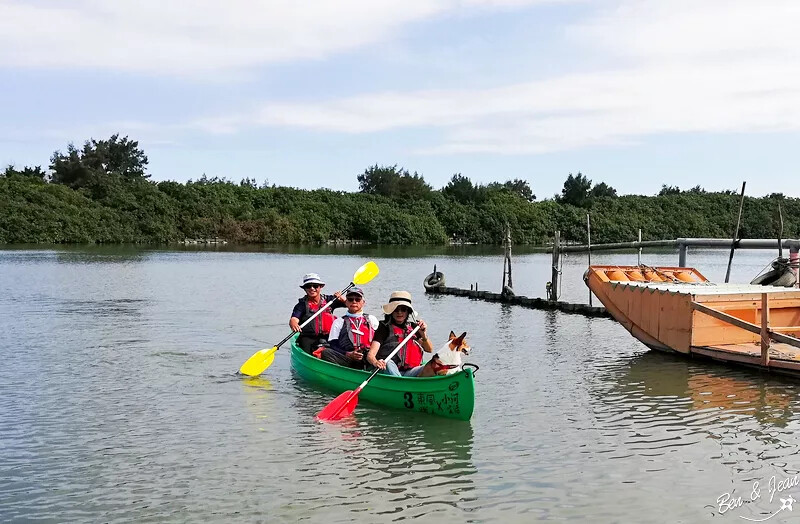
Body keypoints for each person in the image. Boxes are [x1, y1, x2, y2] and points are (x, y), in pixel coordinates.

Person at [366, 291, 433, 377]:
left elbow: (429, 349)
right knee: (388, 362)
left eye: (403, 309)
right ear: (391, 311)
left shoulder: (414, 327)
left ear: (408, 311)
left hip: (410, 372)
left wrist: (423, 334)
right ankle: (402, 384)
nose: (399, 312)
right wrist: (376, 362)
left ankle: (405, 383)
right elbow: (370, 355)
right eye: (396, 309)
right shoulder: (384, 327)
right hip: (389, 371)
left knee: (431, 366)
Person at [319, 287, 378, 368]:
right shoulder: (339, 322)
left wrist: (372, 355)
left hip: (368, 358)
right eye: (350, 299)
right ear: (346, 302)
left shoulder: (372, 319)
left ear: (363, 302)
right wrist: (348, 354)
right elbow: (333, 345)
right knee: (326, 352)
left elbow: (379, 341)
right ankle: (343, 373)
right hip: (348, 358)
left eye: (357, 299)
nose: (354, 302)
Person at [289, 273, 345, 354]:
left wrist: (342, 299)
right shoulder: (301, 305)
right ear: (305, 289)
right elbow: (294, 318)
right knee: (306, 346)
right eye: (308, 286)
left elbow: (352, 306)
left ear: (320, 287)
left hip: (328, 337)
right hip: (308, 337)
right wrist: (293, 322)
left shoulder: (330, 300)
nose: (312, 288)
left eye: (315, 286)